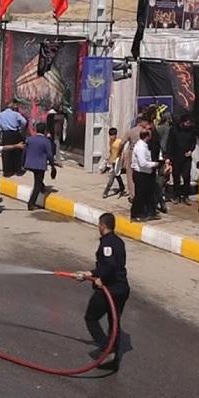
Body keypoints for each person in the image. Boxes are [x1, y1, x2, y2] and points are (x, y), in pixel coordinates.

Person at [74, 212, 130, 372]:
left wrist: (102, 279)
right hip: (122, 288)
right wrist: (90, 274)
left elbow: (110, 265)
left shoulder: (107, 243)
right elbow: (107, 266)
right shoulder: (118, 242)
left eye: (99, 225)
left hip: (110, 290)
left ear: (102, 226)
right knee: (114, 322)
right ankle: (113, 359)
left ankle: (107, 349)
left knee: (91, 318)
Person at [130, 129, 165, 221]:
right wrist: (155, 164)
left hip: (146, 173)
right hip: (141, 174)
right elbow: (143, 163)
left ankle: (149, 213)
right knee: (140, 195)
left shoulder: (144, 146)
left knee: (148, 194)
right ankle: (135, 214)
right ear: (147, 136)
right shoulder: (141, 147)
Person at [24, 122, 56, 211]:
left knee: (38, 179)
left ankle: (42, 188)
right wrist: (53, 165)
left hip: (29, 164)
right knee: (37, 184)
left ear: (36, 130)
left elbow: (24, 151)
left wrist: (23, 163)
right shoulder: (46, 141)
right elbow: (50, 155)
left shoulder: (29, 139)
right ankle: (31, 204)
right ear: (45, 131)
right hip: (39, 165)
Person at [167, 115, 197, 204]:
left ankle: (186, 195)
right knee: (176, 177)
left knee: (186, 176)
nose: (188, 125)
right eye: (187, 123)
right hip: (176, 157)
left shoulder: (191, 131)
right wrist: (168, 157)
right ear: (182, 122)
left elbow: (193, 142)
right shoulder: (174, 130)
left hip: (186, 157)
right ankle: (176, 195)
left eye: (189, 123)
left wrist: (191, 150)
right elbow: (170, 144)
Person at [0, 104, 28, 177]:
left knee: (6, 152)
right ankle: (17, 170)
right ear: (12, 108)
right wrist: (20, 127)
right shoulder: (16, 114)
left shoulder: (0, 115)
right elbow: (24, 122)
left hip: (6, 134)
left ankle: (7, 171)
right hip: (15, 133)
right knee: (17, 151)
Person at [102, 127, 126, 199]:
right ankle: (122, 187)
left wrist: (120, 158)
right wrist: (108, 159)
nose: (112, 137)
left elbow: (121, 150)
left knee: (112, 176)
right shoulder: (110, 141)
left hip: (118, 161)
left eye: (113, 135)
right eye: (111, 135)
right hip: (113, 160)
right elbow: (111, 151)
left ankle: (106, 191)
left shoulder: (119, 141)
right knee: (117, 175)